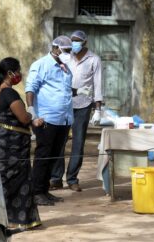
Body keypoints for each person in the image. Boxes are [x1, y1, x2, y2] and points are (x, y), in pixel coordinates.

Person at [25, 35, 90, 205]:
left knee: (53, 157)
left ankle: (44, 190)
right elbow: (30, 89)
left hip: (64, 119)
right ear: (56, 49)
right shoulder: (41, 65)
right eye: (67, 50)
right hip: (46, 119)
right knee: (43, 155)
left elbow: (63, 89)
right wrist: (32, 112)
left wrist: (79, 91)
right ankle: (36, 192)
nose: (70, 53)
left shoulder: (65, 66)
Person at [0, 57, 43, 229]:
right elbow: (23, 117)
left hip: (2, 144)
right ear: (10, 73)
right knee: (18, 180)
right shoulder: (10, 93)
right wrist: (32, 116)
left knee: (4, 179)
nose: (20, 74)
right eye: (18, 71)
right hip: (12, 147)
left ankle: (6, 218)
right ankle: (20, 219)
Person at [50, 30, 103, 192]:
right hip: (64, 104)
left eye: (77, 41)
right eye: (72, 41)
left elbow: (98, 83)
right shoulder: (66, 57)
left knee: (78, 143)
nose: (74, 44)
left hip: (83, 105)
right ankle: (56, 178)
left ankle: (72, 178)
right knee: (59, 141)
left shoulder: (94, 59)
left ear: (85, 42)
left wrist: (98, 109)